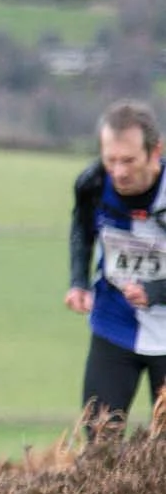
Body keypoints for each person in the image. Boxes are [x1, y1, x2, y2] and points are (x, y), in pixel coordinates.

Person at [67, 101, 166, 428]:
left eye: (129, 160)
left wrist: (155, 291)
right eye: (110, 160)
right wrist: (78, 282)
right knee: (99, 439)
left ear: (155, 151)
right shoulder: (92, 184)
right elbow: (81, 230)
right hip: (114, 324)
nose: (119, 172)